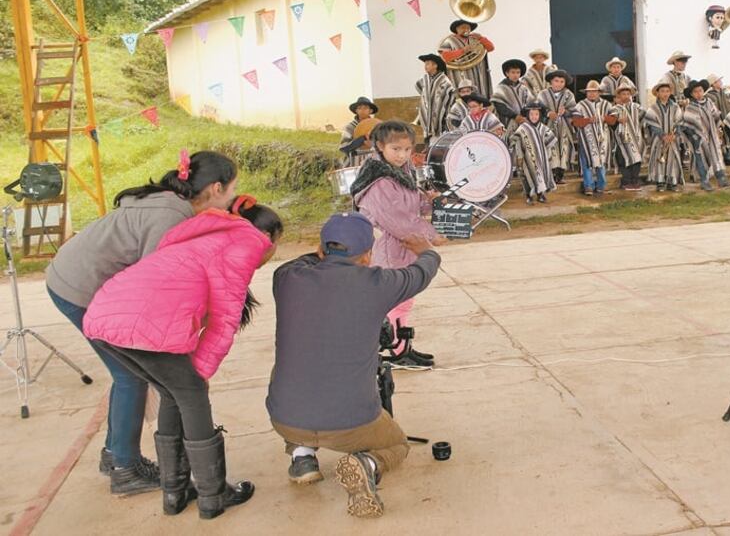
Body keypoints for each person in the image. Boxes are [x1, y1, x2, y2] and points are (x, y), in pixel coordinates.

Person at [44, 150, 238, 496]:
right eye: (232, 192)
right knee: (132, 374)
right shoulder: (170, 217)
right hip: (81, 289)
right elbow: (155, 284)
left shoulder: (169, 202)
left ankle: (115, 453)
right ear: (217, 188)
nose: (233, 199)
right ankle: (125, 467)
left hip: (70, 277)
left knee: (131, 372)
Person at [83, 197, 282, 520]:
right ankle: (213, 495)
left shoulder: (204, 239)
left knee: (172, 393)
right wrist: (199, 373)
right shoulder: (245, 243)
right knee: (191, 394)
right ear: (268, 237)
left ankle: (175, 492)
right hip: (137, 325)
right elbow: (224, 320)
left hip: (103, 319)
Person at [266, 213, 440, 518]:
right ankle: (366, 464)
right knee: (397, 444)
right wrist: (428, 250)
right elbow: (421, 273)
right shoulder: (378, 283)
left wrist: (328, 254)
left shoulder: (286, 277)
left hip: (285, 417)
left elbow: (307, 260)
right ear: (368, 256)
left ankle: (302, 457)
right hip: (351, 424)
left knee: (300, 379)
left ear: (321, 249)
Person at [351, 121, 447, 367]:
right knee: (396, 301)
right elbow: (398, 221)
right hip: (388, 248)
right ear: (380, 146)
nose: (402, 155)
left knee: (403, 300)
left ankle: (402, 348)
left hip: (404, 248)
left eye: (407, 149)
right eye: (396, 149)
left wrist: (431, 202)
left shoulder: (401, 172)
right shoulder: (380, 181)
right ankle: (397, 351)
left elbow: (412, 205)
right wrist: (431, 234)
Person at [682, 80, 730, 191]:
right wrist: (694, 136)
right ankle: (704, 181)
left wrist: (719, 129)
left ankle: (721, 178)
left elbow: (716, 116)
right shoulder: (691, 107)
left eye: (700, 90)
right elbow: (687, 124)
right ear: (691, 94)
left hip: (712, 135)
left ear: (704, 91)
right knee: (701, 159)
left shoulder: (709, 102)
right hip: (698, 138)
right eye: (695, 92)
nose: (698, 93)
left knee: (717, 156)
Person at [571, 80, 614, 196]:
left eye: (594, 92)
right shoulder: (580, 105)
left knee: (601, 162)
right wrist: (588, 120)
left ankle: (601, 186)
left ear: (599, 92)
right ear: (586, 93)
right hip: (586, 139)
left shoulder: (606, 104)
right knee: (587, 163)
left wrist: (605, 118)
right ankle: (588, 186)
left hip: (602, 139)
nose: (592, 94)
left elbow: (614, 119)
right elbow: (575, 122)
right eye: (589, 92)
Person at [510, 101, 557, 204]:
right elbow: (516, 141)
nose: (534, 117)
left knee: (542, 176)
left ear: (540, 115)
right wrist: (519, 156)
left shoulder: (543, 128)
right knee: (527, 176)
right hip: (527, 159)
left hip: (542, 159)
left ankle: (541, 194)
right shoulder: (522, 129)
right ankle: (529, 195)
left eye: (536, 114)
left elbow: (551, 141)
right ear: (527, 115)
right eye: (531, 114)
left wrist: (548, 155)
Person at [536, 69, 577, 184]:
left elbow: (574, 110)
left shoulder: (569, 94)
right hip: (547, 126)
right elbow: (538, 107)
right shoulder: (542, 94)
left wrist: (566, 112)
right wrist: (548, 113)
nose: (558, 84)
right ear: (551, 82)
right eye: (556, 81)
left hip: (564, 127)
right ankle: (550, 175)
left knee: (563, 149)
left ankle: (560, 175)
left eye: (562, 82)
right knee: (549, 148)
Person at [439, 19, 495, 99]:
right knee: (462, 98)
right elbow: (445, 56)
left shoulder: (475, 39)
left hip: (477, 72)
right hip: (459, 74)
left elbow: (491, 48)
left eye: (468, 28)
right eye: (463, 28)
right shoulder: (449, 41)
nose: (466, 30)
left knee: (479, 97)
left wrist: (481, 38)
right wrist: (464, 50)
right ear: (456, 29)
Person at [644, 81, 684, 192]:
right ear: (657, 93)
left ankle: (672, 182)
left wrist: (674, 135)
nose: (665, 93)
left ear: (670, 92)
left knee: (673, 159)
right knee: (659, 158)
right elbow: (651, 124)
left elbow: (679, 122)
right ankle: (660, 182)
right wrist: (662, 135)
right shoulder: (652, 108)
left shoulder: (675, 107)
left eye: (667, 91)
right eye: (662, 91)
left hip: (672, 139)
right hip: (658, 139)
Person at [610, 81, 645, 191]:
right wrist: (617, 119)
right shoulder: (615, 108)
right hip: (622, 140)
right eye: (623, 94)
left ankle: (635, 181)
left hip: (636, 138)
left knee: (637, 160)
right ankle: (626, 181)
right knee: (623, 159)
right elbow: (611, 121)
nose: (626, 96)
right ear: (619, 96)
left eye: (628, 94)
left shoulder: (638, 107)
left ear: (631, 95)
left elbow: (643, 116)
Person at [414, 54, 456, 145]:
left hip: (440, 122)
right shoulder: (424, 79)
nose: (425, 66)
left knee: (439, 145)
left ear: (435, 65)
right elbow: (418, 87)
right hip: (427, 119)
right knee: (429, 144)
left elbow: (449, 98)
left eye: (428, 64)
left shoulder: (445, 81)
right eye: (425, 64)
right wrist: (429, 98)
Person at [491, 58, 534, 140]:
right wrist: (515, 116)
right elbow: (500, 106)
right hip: (507, 121)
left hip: (523, 121)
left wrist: (526, 116)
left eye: (518, 72)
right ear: (507, 73)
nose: (515, 75)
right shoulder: (501, 88)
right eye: (513, 72)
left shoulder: (523, 88)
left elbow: (531, 103)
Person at [340, 97, 380, 167]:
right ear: (356, 111)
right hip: (353, 163)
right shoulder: (350, 127)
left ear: (370, 111)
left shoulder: (377, 126)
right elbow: (343, 147)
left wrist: (372, 146)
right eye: (359, 108)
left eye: (365, 108)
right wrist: (362, 138)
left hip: (374, 161)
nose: (362, 110)